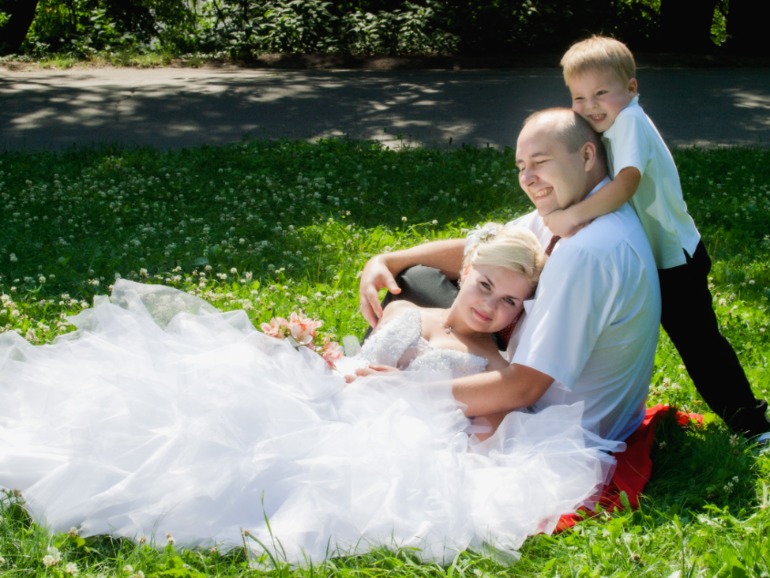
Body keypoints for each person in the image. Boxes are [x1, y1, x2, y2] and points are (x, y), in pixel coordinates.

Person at [0, 224, 620, 564]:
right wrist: (308, 356)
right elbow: (358, 361)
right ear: (463, 274)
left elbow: (482, 433)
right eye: (484, 285)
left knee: (261, 470)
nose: (491, 306)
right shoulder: (411, 309)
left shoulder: (493, 364)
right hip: (327, 394)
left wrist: (410, 398)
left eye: (509, 302)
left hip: (383, 437)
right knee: (212, 391)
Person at [359, 107, 661, 444]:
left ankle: (383, 378)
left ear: (587, 156)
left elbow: (524, 387)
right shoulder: (571, 208)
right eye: (521, 167)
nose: (527, 179)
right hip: (525, 364)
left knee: (419, 307)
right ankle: (378, 363)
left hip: (553, 423)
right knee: (415, 278)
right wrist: (388, 260)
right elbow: (487, 250)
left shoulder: (587, 252)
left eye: (539, 162)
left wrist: (407, 392)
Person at [546, 35, 769, 440]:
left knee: (700, 345)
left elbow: (626, 183)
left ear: (631, 88)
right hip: (654, 257)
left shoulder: (630, 121)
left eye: (601, 93)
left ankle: (753, 426)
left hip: (674, 258)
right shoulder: (612, 123)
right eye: (578, 97)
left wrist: (572, 216)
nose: (590, 106)